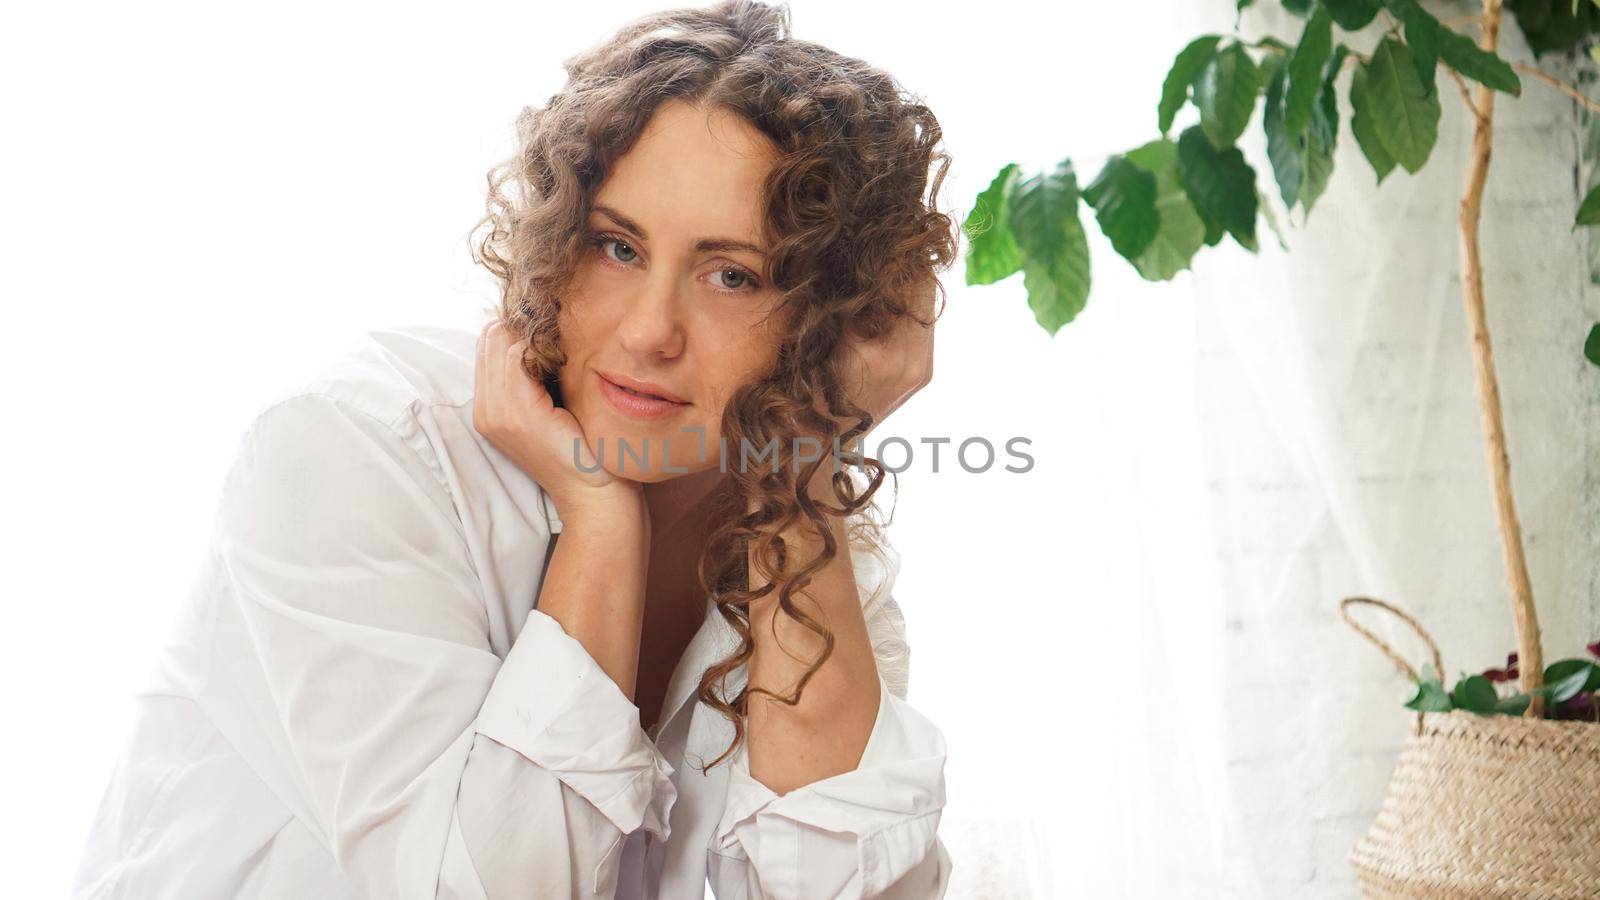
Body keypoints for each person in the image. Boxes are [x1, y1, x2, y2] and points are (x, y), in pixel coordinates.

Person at [70, 1, 959, 896]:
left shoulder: (802, 549)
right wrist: (601, 524)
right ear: (558, 239)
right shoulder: (357, 452)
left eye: (733, 276)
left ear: (832, 318)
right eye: (617, 247)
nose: (650, 332)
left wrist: (801, 458)